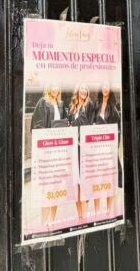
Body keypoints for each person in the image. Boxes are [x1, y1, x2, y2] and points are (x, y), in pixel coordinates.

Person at [30, 84, 65, 227]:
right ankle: (44, 221)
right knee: (46, 186)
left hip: (59, 149)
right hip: (47, 149)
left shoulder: (60, 104)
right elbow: (36, 124)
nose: (56, 89)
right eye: (53, 86)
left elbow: (64, 123)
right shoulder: (43, 102)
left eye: (57, 86)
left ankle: (53, 219)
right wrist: (46, 139)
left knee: (56, 186)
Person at [93, 83, 121, 218]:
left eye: (107, 86)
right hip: (97, 149)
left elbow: (118, 131)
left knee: (109, 180)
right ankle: (97, 211)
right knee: (97, 181)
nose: (105, 88)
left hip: (108, 150)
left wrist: (114, 147)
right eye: (103, 86)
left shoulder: (114, 109)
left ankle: (109, 211)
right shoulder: (96, 106)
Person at [68, 84, 94, 221]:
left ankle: (85, 216)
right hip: (73, 148)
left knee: (84, 181)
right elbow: (69, 124)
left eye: (85, 88)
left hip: (84, 147)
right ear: (77, 90)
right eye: (82, 88)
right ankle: (80, 217)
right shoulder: (72, 107)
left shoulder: (89, 105)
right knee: (75, 181)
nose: (84, 90)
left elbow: (91, 125)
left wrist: (83, 140)